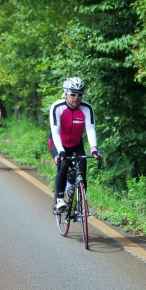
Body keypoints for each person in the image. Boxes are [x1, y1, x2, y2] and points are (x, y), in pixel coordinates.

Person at [47, 77, 99, 212]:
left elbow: (90, 129)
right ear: (65, 93)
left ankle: (79, 205)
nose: (76, 97)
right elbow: (55, 132)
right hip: (58, 142)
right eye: (73, 94)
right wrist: (60, 151)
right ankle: (59, 200)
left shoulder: (87, 108)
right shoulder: (57, 107)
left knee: (81, 170)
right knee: (63, 164)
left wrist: (94, 149)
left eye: (80, 94)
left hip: (76, 143)